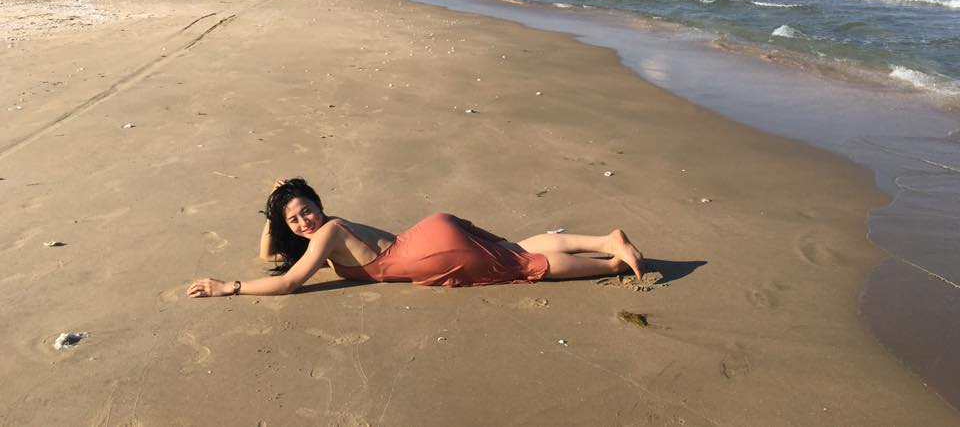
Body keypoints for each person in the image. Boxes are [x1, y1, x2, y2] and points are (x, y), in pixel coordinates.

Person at [187, 178, 644, 298]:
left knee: (521, 267)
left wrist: (229, 287)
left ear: (319, 207)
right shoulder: (327, 230)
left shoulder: (327, 233)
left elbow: (289, 283)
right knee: (515, 250)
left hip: (434, 250)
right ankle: (606, 239)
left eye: (307, 209)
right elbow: (269, 255)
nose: (303, 221)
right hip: (432, 231)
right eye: (294, 219)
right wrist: (274, 209)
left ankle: (611, 263)